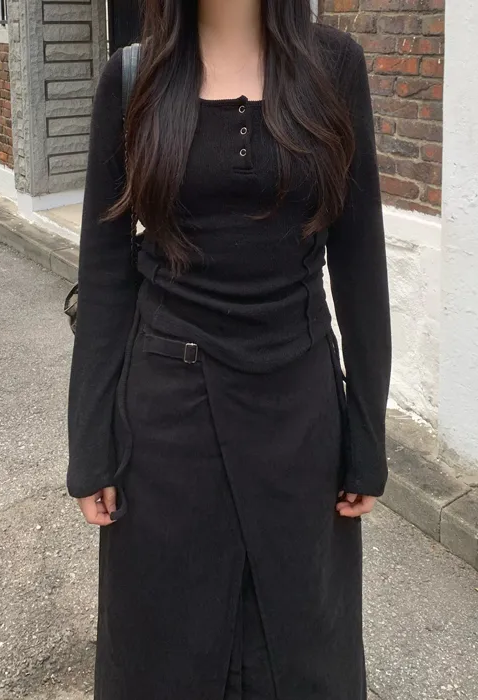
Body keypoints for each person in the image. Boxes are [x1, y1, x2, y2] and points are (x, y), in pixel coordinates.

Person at [66, 1, 392, 698]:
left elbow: (360, 260)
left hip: (300, 413)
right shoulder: (133, 78)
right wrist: (89, 443)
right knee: (166, 646)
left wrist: (367, 434)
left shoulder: (334, 67)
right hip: (166, 422)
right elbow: (105, 273)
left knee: (302, 646)